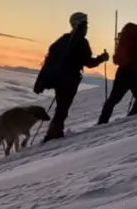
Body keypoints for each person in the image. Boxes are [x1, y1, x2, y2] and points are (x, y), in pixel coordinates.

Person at [35, 13, 108, 142]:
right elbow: (89, 62)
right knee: (63, 108)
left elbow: (50, 57)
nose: (87, 28)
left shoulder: (63, 39)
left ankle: (55, 132)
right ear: (81, 25)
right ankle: (52, 134)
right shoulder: (81, 42)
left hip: (57, 79)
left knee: (61, 106)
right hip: (70, 80)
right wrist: (102, 58)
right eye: (86, 25)